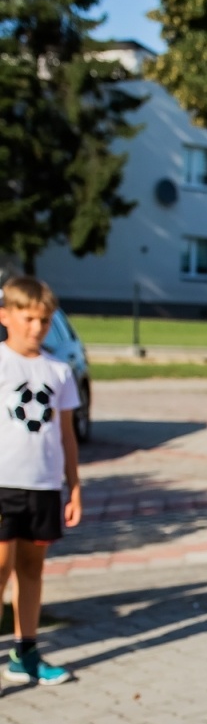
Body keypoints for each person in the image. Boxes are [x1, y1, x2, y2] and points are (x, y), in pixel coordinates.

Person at [0, 277, 81, 687]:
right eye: (28, 317)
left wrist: (74, 484)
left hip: (44, 486)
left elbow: (66, 432)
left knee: (32, 568)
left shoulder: (58, 370)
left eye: (45, 320)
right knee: (0, 566)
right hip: (3, 485)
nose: (36, 327)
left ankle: (25, 653)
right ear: (5, 315)